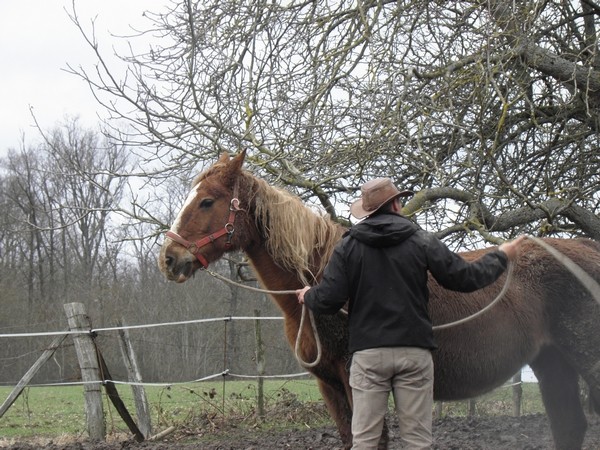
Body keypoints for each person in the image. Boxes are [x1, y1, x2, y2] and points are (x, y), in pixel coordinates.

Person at [296, 177, 524, 449]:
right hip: (413, 353)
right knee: (417, 441)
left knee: (365, 441)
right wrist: (501, 255)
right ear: (395, 203)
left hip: (369, 356)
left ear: (368, 211)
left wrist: (308, 294)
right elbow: (464, 278)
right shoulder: (420, 240)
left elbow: (329, 300)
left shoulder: (348, 247)